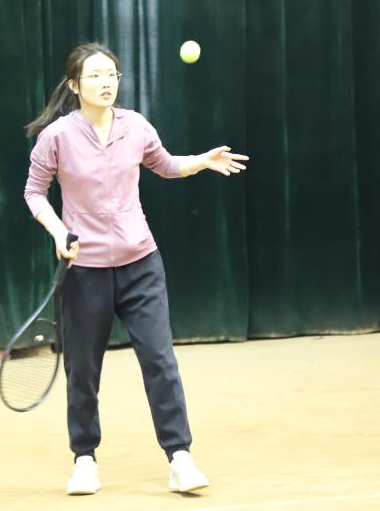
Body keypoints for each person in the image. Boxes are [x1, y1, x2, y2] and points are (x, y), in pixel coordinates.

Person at [23, 42, 249, 495]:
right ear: (75, 85)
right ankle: (84, 460)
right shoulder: (57, 136)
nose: (106, 83)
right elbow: (34, 191)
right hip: (84, 271)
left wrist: (202, 161)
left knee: (160, 361)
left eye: (112, 75)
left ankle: (180, 457)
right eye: (95, 76)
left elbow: (165, 165)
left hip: (141, 264)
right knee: (83, 371)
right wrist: (58, 232)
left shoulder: (136, 126)